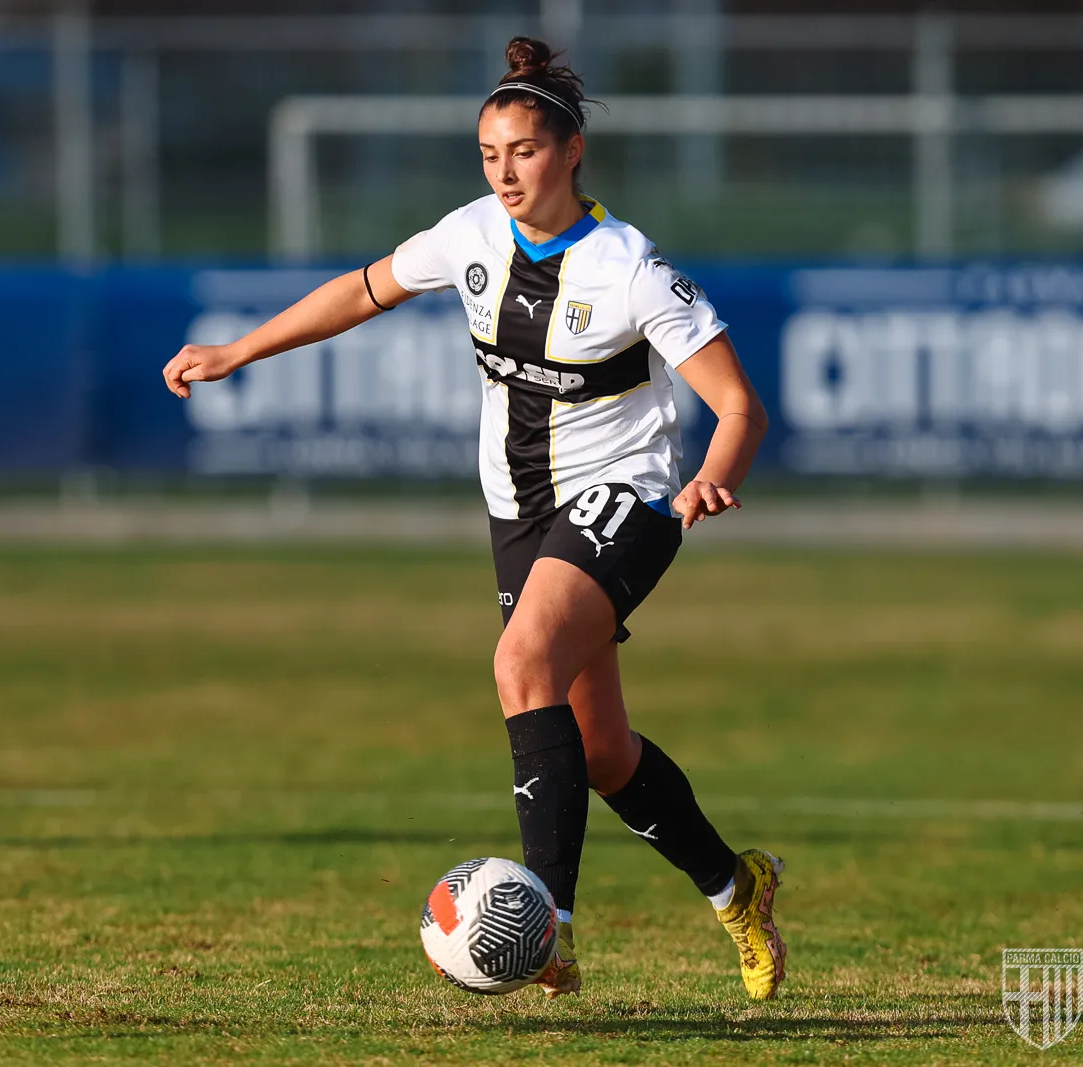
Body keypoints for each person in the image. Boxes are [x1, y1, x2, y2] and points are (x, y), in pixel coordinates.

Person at [163, 37, 786, 1001]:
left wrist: (712, 476)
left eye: (524, 151)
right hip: (518, 513)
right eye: (490, 153)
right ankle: (736, 886)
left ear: (571, 151)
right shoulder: (470, 236)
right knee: (603, 749)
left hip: (626, 497)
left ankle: (550, 926)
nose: (505, 171)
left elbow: (739, 405)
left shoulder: (630, 269)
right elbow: (362, 289)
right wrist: (238, 350)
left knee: (520, 663)